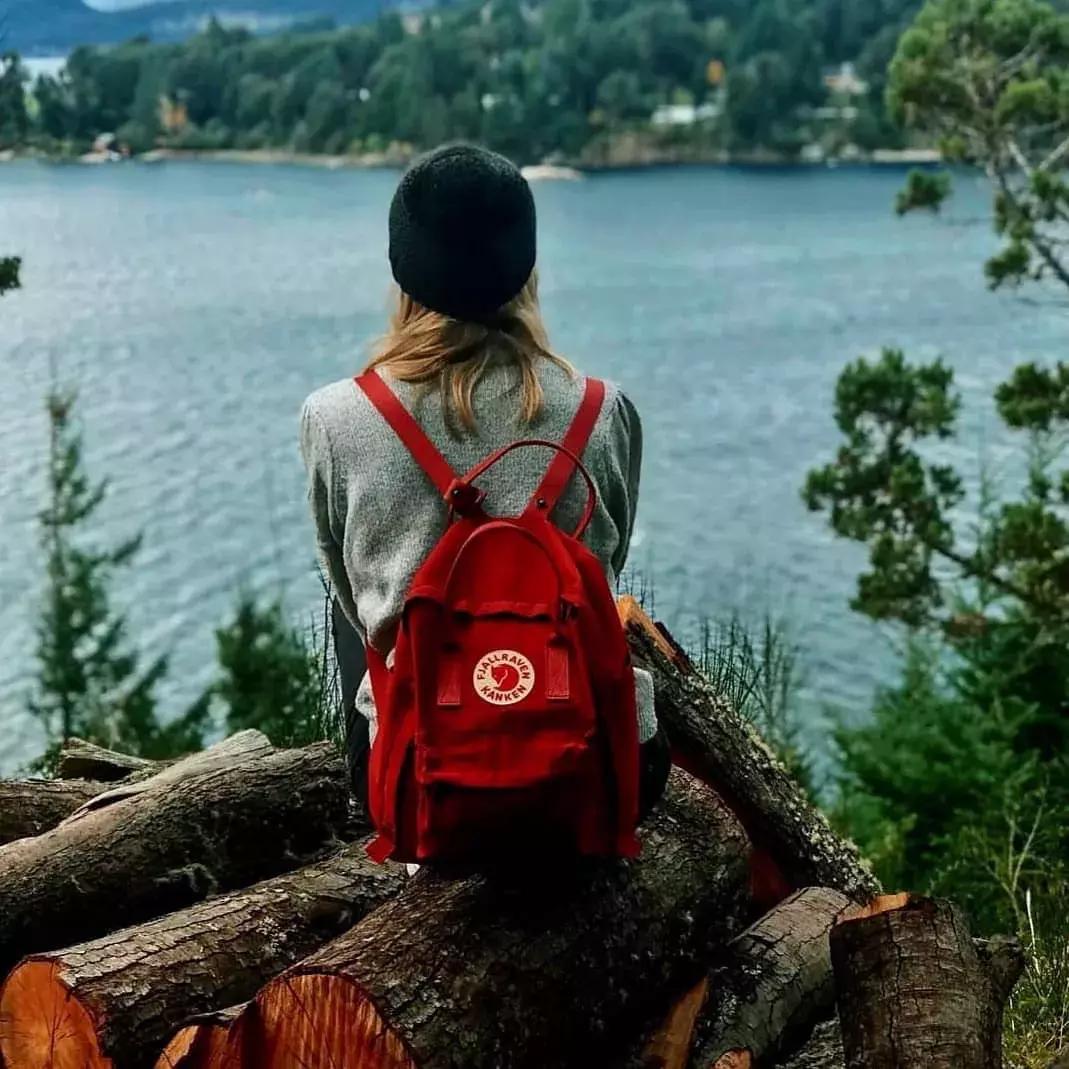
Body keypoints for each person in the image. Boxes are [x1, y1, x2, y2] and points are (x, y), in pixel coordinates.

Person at [300, 143, 670, 828]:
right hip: (596, 762)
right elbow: (609, 558)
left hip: (420, 779)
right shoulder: (602, 409)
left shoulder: (334, 417)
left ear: (400, 268)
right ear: (527, 266)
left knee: (358, 603)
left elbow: (357, 600)